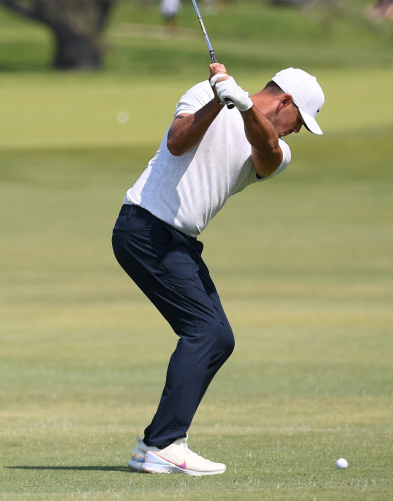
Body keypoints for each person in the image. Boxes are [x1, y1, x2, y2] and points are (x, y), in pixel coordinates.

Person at [112, 62, 325, 476]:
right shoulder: (203, 93)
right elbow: (177, 142)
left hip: (177, 243)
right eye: (300, 119)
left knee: (219, 337)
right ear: (285, 102)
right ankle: (163, 445)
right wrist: (217, 100)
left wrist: (243, 105)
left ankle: (155, 443)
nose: (298, 130)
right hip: (144, 228)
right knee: (205, 332)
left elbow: (265, 150)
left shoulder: (278, 151)